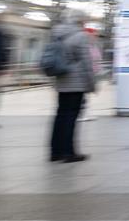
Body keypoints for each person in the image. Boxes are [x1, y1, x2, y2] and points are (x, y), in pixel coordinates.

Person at [50, 9, 95, 163]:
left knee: (60, 116)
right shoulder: (81, 36)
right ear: (80, 20)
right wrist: (92, 84)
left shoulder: (57, 33)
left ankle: (55, 152)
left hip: (61, 80)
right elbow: (87, 62)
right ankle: (69, 152)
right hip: (76, 83)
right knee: (71, 117)